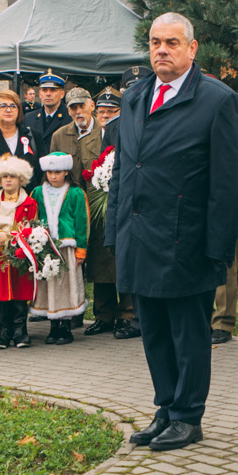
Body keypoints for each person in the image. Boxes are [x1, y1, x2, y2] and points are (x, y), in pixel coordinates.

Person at [106, 13, 238, 451]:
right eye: (154, 42)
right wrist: (116, 230)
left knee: (188, 334)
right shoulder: (134, 96)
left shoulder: (216, 100)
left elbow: (228, 184)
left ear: (191, 48)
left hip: (187, 240)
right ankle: (165, 408)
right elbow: (125, 168)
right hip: (139, 236)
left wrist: (219, 248)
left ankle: (188, 415)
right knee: (155, 333)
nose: (161, 50)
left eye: (171, 42)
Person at [80, 89, 136, 338]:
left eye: (112, 111)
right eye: (101, 111)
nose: (105, 115)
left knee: (122, 260)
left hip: (122, 205)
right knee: (100, 263)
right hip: (95, 208)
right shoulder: (86, 140)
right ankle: (103, 315)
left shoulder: (128, 133)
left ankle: (127, 314)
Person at [0, 155, 39, 348]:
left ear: (21, 179)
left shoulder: (29, 204)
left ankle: (19, 331)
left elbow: (34, 228)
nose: (8, 180)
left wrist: (21, 239)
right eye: (5, 176)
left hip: (19, 255)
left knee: (19, 292)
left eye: (13, 176)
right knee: (0, 295)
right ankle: (1, 332)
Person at [32, 152, 89, 342]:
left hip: (67, 248)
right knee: (49, 285)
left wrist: (81, 250)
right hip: (46, 247)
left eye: (57, 172)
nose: (53, 176)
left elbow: (82, 222)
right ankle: (53, 325)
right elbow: (33, 218)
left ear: (66, 171)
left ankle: (66, 326)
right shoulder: (38, 192)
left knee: (66, 284)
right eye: (49, 172)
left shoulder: (75, 193)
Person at [25, 74, 71, 151]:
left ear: (62, 94)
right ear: (40, 94)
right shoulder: (29, 118)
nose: (48, 94)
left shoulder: (70, 117)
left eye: (53, 90)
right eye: (44, 90)